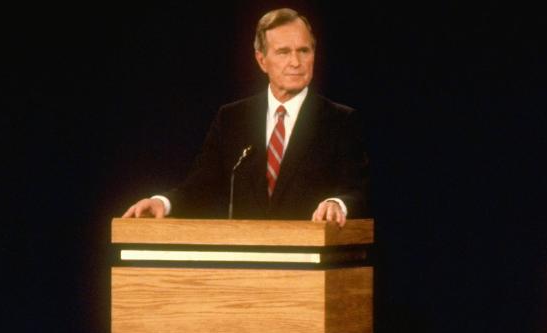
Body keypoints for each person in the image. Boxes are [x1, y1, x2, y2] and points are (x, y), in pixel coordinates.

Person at [123, 8, 368, 225]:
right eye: (283, 52)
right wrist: (162, 203)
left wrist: (337, 203)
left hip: (310, 265)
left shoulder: (339, 121)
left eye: (304, 50)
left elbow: (358, 191)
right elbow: (201, 186)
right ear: (262, 60)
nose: (296, 62)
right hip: (247, 265)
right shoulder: (232, 119)